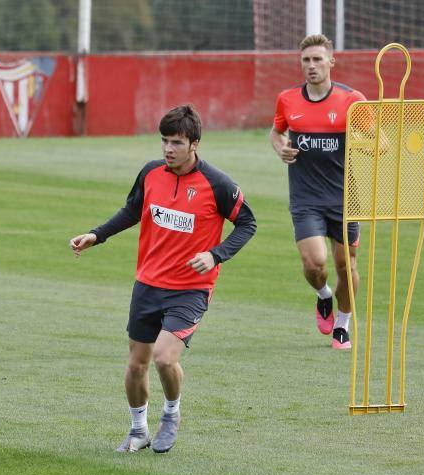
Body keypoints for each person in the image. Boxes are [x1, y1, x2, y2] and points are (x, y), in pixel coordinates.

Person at [69, 104, 256, 453]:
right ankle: (138, 430)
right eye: (164, 141)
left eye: (177, 143)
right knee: (136, 363)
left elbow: (248, 223)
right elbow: (131, 211)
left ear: (195, 144)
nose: (168, 149)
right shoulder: (151, 173)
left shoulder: (217, 184)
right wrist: (97, 235)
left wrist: (215, 255)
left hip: (190, 289)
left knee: (165, 358)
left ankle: (171, 414)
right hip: (148, 283)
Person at [269, 33, 366, 350]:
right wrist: (280, 148)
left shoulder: (352, 100)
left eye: (317, 59)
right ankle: (323, 296)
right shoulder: (288, 99)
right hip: (306, 199)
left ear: (331, 62)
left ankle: (342, 324)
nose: (311, 66)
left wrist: (366, 145)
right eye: (306, 60)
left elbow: (379, 141)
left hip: (344, 199)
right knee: (315, 264)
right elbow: (276, 132)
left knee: (346, 267)